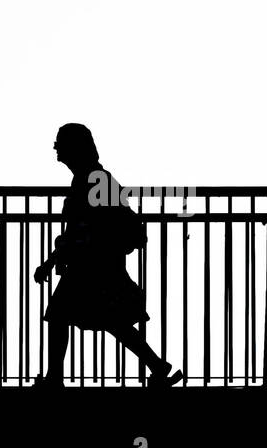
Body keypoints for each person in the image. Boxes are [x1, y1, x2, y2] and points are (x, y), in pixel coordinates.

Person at [34, 123, 183, 389]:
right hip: (96, 264)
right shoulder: (92, 178)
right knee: (112, 321)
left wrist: (52, 260)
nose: (56, 148)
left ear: (74, 147)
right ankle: (158, 366)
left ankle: (54, 378)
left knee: (64, 316)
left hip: (93, 265)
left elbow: (85, 226)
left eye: (61, 142)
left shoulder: (92, 179)